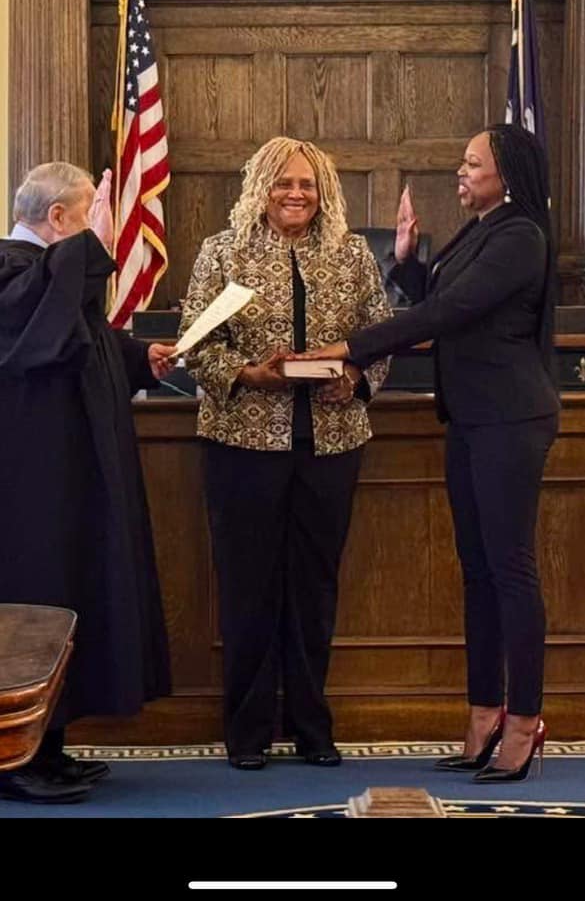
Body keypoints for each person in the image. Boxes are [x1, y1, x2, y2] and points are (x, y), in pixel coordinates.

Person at [293, 124, 559, 782]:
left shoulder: (521, 234)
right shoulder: (483, 229)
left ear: (506, 174)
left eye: (471, 163)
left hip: (510, 418)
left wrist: (352, 348)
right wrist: (409, 261)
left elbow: (449, 314)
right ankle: (481, 715)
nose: (459, 172)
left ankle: (524, 721)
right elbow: (442, 298)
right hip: (471, 418)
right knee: (477, 572)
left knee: (510, 569)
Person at [179, 137, 390, 770]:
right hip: (243, 446)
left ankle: (311, 728)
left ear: (324, 191)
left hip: (330, 447)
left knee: (314, 590)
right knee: (249, 589)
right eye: (282, 183)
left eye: (306, 184)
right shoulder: (223, 253)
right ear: (259, 189)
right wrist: (248, 374)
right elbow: (194, 344)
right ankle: (246, 732)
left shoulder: (353, 255)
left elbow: (382, 335)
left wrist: (355, 381)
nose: (295, 194)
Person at [0, 163, 175, 804]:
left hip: (71, 481)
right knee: (34, 604)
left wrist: (137, 357)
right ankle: (12, 760)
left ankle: (48, 745)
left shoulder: (52, 281)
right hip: (31, 489)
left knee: (70, 598)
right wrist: (88, 249)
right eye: (88, 224)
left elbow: (80, 344)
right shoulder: (11, 270)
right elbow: (34, 344)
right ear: (59, 219)